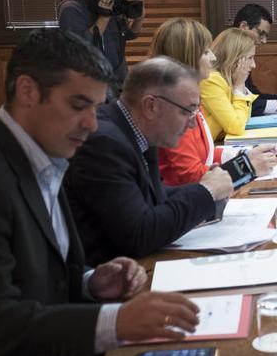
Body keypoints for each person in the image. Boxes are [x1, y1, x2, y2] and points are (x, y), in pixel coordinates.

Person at [0, 30, 199, 356]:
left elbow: (36, 278)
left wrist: (89, 281)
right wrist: (112, 323)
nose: (91, 122)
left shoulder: (43, 157)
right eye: (78, 105)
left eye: (96, 106)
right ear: (28, 91)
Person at [65, 56, 234, 265]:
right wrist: (205, 192)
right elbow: (140, 234)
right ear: (151, 106)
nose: (193, 123)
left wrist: (206, 190)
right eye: (187, 111)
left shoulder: (138, 132)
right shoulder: (104, 143)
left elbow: (153, 196)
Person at [149, 19, 276, 186]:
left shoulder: (185, 97)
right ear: (188, 58)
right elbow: (191, 176)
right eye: (206, 52)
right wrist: (247, 166)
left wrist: (246, 154)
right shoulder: (172, 108)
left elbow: (206, 154)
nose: (213, 57)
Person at [57, 0, 145, 96]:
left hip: (119, 84)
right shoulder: (70, 9)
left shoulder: (98, 2)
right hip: (95, 88)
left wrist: (139, 19)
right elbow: (79, 48)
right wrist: (104, 17)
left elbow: (126, 35)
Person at [233, 3, 277, 115]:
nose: (264, 41)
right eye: (261, 34)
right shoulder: (227, 58)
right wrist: (276, 105)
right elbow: (235, 102)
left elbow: (253, 95)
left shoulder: (242, 55)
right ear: (243, 27)